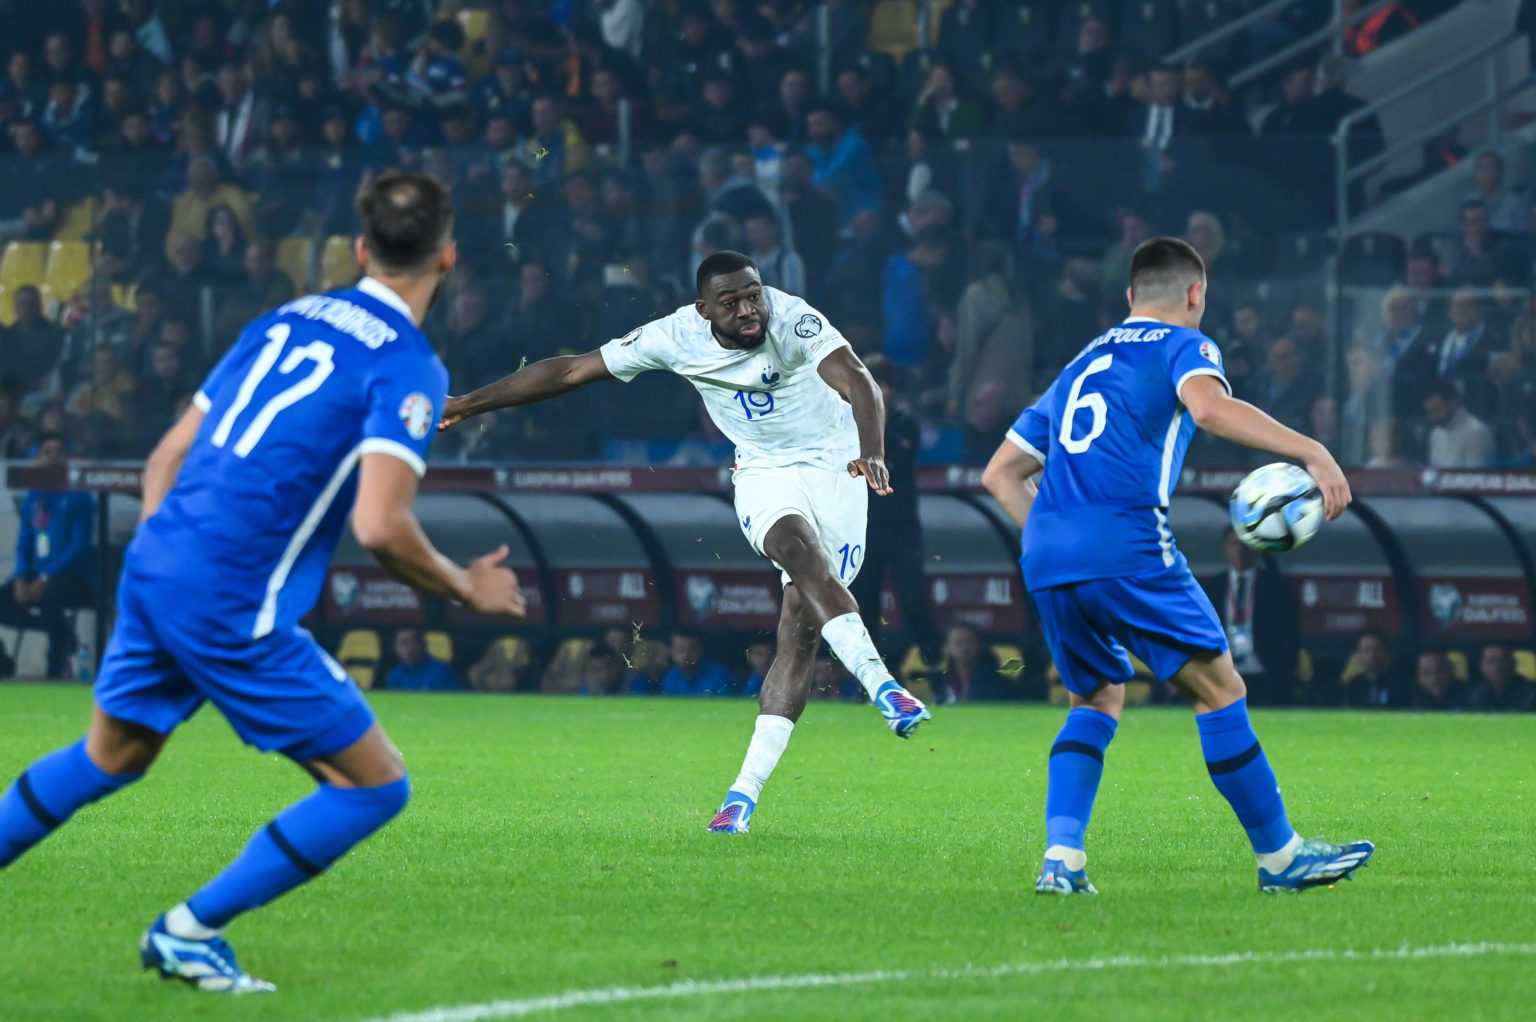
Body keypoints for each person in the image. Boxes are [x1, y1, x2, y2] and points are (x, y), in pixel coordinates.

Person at [0, 173, 524, 993]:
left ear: (358, 248)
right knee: (375, 785)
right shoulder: (408, 366)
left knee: (113, 754)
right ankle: (188, 932)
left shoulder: (284, 319)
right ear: (449, 256)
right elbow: (381, 525)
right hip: (229, 598)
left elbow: (163, 461)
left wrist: (177, 553)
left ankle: (183, 930)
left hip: (157, 558)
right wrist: (466, 586)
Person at [441, 250, 931, 835]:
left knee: (798, 633)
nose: (750, 310)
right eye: (731, 303)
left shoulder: (794, 318)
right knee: (797, 551)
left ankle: (741, 797)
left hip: (838, 466)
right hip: (764, 471)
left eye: (754, 295)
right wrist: (469, 404)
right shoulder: (674, 335)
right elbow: (570, 370)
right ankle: (884, 687)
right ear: (704, 310)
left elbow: (857, 379)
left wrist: (871, 448)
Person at [981, 236, 1373, 895]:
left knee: (1096, 697)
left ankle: (1062, 860)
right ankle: (1280, 858)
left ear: (1130, 297)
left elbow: (1001, 474)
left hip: (1046, 553)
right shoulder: (1185, 345)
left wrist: (1058, 535)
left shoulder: (1081, 362)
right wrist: (1314, 451)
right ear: (1196, 295)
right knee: (1221, 691)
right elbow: (1211, 409)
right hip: (1129, 544)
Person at [850, 356, 944, 673]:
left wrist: (879, 420)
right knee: (863, 603)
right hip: (864, 525)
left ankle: (936, 667)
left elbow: (899, 460)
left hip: (901, 527)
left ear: (888, 388)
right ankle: (870, 679)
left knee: (913, 599)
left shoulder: (905, 423)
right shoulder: (849, 422)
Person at [0, 434, 95, 679]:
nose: (53, 458)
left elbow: (78, 547)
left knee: (49, 598)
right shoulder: (33, 499)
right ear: (37, 460)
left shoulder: (79, 498)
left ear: (67, 459)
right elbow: (25, 543)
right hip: (36, 576)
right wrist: (21, 577)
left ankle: (55, 665)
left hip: (71, 577)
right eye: (46, 452)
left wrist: (44, 578)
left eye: (58, 452)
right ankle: (4, 663)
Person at [1201, 527, 1300, 705]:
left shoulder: (1276, 586)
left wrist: (1281, 680)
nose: (1240, 550)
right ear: (1225, 549)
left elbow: (1289, 637)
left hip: (1265, 675)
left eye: (1245, 544)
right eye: (1234, 544)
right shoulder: (1213, 588)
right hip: (1225, 676)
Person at [1334, 630, 1403, 708]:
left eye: (1377, 649)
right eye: (1366, 650)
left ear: (1386, 652)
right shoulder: (1353, 685)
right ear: (1358, 655)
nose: (1372, 655)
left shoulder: (1401, 684)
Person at [384, 628, 462, 691]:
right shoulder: (394, 676)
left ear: (424, 645)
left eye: (415, 642)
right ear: (395, 648)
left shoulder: (441, 672)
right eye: (404, 643)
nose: (410, 649)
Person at [1464, 643, 1536, 712]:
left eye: (1504, 661)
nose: (1498, 667)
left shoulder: (1532, 694)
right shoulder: (1474, 695)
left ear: (1513, 664)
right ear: (1482, 667)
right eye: (1491, 662)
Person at [660, 629, 733, 696]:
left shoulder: (719, 676)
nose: (686, 655)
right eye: (680, 649)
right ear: (671, 652)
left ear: (702, 649)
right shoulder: (672, 676)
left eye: (692, 648)